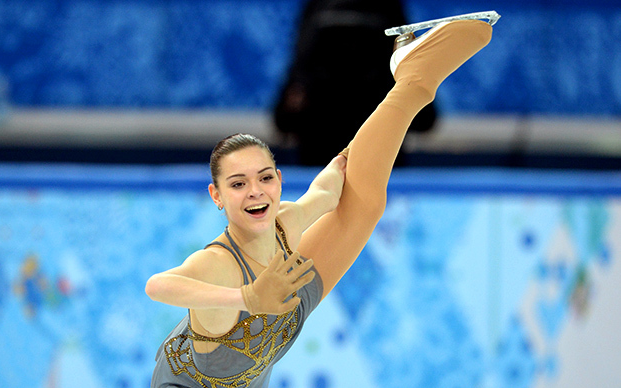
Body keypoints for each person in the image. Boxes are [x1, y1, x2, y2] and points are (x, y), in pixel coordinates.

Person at [146, 19, 494, 387]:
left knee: (363, 206)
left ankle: (413, 84)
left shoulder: (286, 222)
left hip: (278, 309)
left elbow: (325, 195)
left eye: (265, 178)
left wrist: (345, 160)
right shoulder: (218, 264)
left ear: (279, 182)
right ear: (216, 196)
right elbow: (158, 286)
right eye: (237, 184)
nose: (255, 191)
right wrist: (247, 296)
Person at [273, 0, 437, 166]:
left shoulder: (317, 15)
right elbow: (424, 121)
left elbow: (424, 120)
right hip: (363, 147)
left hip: (334, 145)